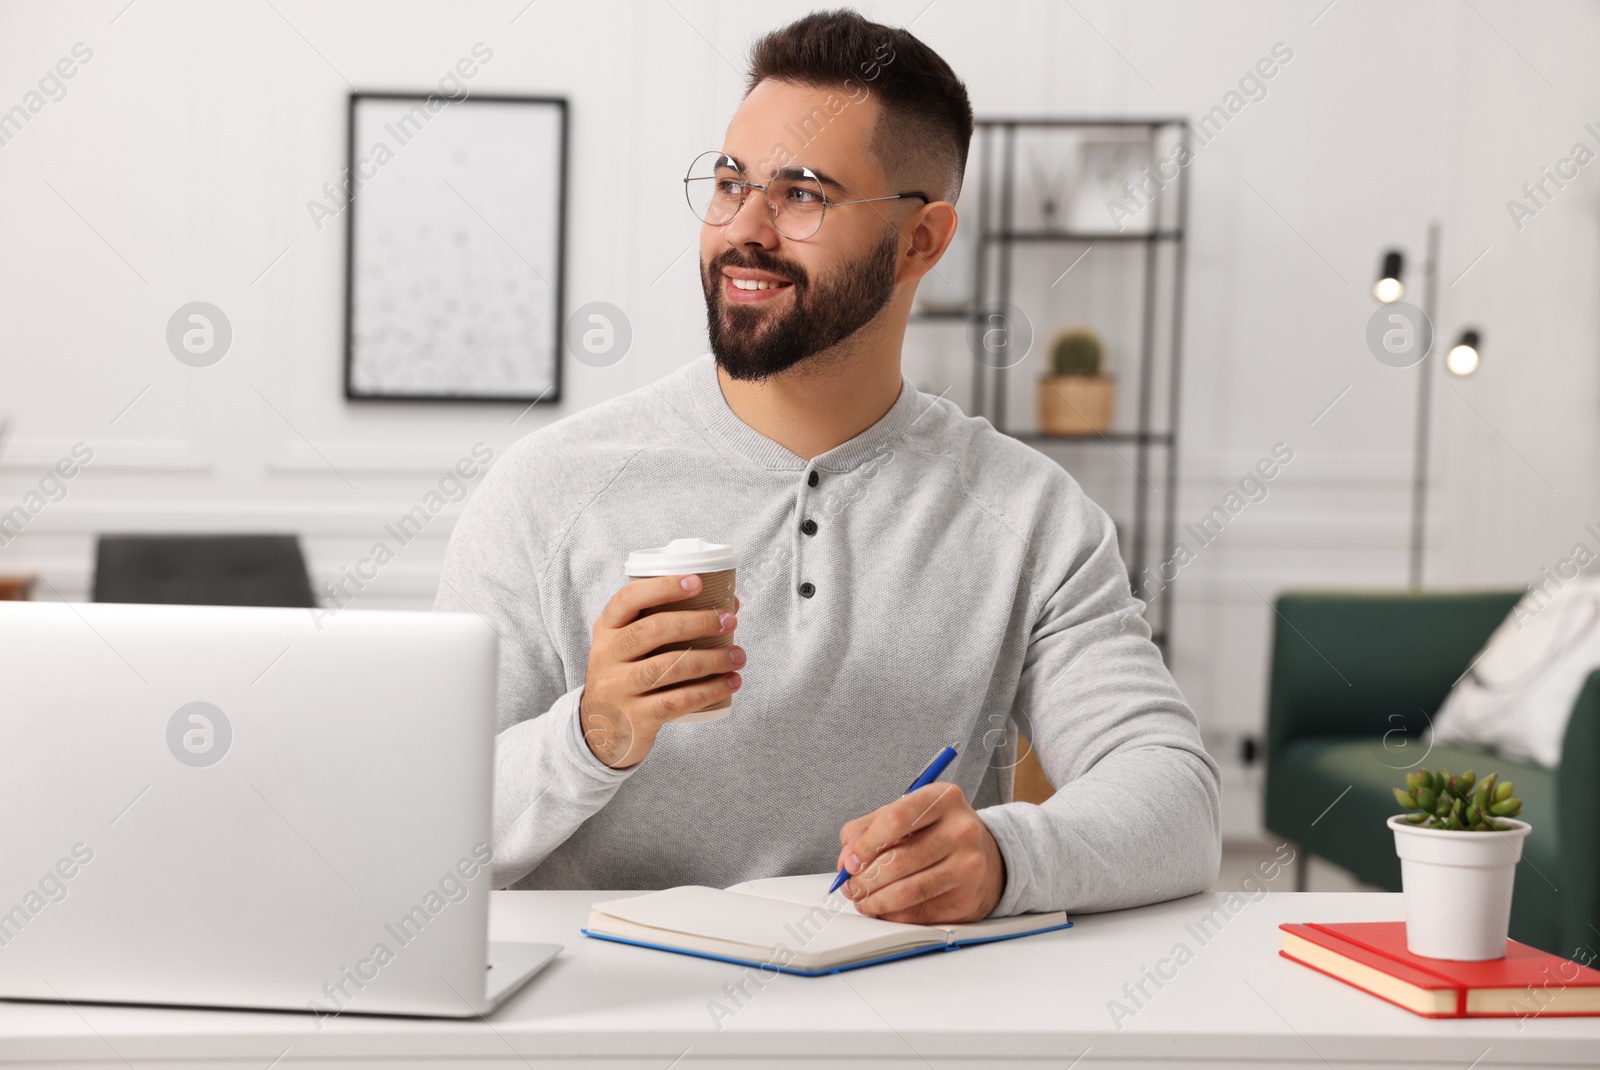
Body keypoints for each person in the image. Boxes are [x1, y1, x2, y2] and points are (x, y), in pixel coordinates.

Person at [435, 7, 1220, 924]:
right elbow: (424, 829)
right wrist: (591, 732)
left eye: (802, 194)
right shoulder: (548, 489)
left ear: (922, 241)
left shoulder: (1032, 517)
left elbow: (1177, 798)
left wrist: (1008, 857)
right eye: (731, 183)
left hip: (888, 1014)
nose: (745, 230)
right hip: (609, 1022)